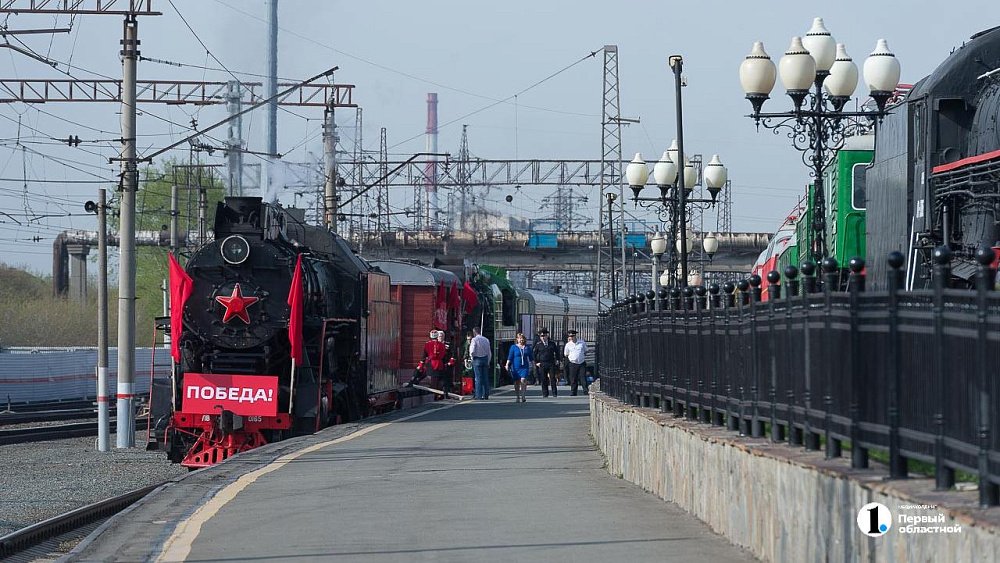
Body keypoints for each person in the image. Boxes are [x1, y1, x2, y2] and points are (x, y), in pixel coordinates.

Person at [422, 329, 455, 399]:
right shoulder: (441, 345)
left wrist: (449, 362)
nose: (440, 337)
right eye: (439, 336)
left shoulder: (428, 344)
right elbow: (442, 354)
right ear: (437, 336)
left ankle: (440, 394)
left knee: (441, 380)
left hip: (439, 364)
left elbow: (424, 355)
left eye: (442, 336)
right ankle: (438, 395)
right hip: (439, 364)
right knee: (436, 381)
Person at [532, 328, 560, 398]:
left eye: (544, 336)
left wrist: (558, 360)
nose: (543, 337)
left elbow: (557, 352)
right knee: (543, 379)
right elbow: (534, 354)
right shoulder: (538, 345)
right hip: (542, 363)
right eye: (541, 336)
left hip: (551, 363)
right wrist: (536, 362)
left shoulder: (552, 343)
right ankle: (545, 393)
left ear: (547, 336)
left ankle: (554, 393)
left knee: (552, 378)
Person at [506, 332, 534, 403]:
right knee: (516, 382)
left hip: (524, 367)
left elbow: (531, 357)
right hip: (515, 367)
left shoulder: (527, 347)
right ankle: (517, 396)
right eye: (520, 338)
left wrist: (533, 364)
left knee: (523, 380)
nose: (521, 340)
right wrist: (507, 364)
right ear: (517, 339)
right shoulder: (513, 347)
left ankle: (523, 396)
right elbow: (510, 357)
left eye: (522, 338)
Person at [469, 326, 492, 400]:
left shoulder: (474, 340)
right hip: (485, 359)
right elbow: (489, 352)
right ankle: (486, 394)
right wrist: (488, 361)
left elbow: (472, 351)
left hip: (477, 359)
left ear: (474, 332)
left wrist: (472, 358)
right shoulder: (486, 340)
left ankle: (478, 395)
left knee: (478, 378)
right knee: (485, 377)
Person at [563, 329, 588, 396]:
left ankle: (585, 391)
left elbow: (586, 351)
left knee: (583, 377)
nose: (572, 338)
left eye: (573, 336)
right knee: (573, 378)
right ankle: (573, 392)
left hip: (581, 363)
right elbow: (566, 354)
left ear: (575, 336)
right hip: (573, 363)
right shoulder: (568, 345)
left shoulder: (581, 343)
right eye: (570, 336)